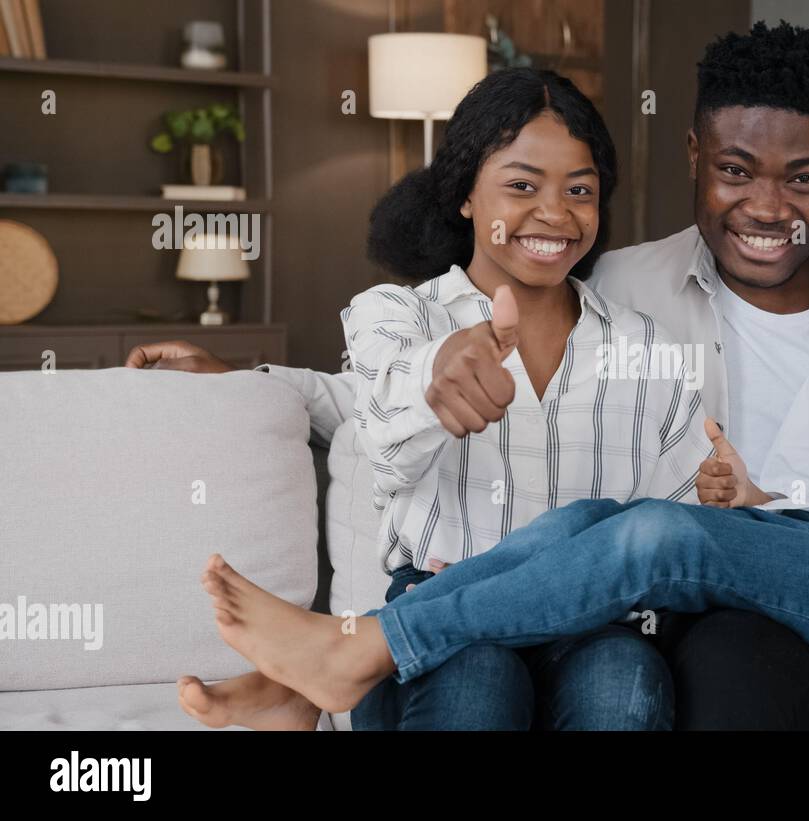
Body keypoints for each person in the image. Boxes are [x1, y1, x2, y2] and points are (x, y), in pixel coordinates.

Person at [133, 21, 809, 731]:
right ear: (692, 156)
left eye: (803, 178)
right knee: (689, 642)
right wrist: (244, 380)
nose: (768, 206)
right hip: (784, 590)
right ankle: (357, 657)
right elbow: (400, 377)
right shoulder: (622, 290)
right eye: (736, 171)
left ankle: (359, 653)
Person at [173, 67, 712, 731]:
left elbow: (679, 524)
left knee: (625, 683)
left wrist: (726, 492)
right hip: (437, 611)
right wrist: (437, 377)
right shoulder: (397, 317)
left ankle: (304, 686)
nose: (554, 212)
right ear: (464, 196)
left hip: (595, 624)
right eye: (521, 185)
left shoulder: (644, 346)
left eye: (580, 190)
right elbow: (379, 420)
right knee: (477, 682)